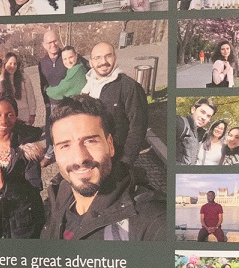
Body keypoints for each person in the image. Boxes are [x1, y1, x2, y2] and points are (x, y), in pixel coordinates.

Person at [42, 98, 164, 242]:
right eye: (65, 145)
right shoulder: (60, 192)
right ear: (55, 153)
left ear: (110, 145)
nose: (79, 159)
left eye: (90, 141)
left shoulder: (151, 218)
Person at [0, 97, 45, 239]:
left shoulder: (26, 149)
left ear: (16, 117)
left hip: (18, 217)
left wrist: (4, 186)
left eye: (10, 115)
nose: (3, 120)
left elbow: (33, 191)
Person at [81, 42, 148, 166]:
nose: (103, 61)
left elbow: (138, 126)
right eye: (97, 58)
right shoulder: (86, 87)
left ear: (115, 58)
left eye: (108, 56)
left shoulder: (129, 87)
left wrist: (126, 161)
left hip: (116, 159)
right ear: (91, 62)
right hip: (91, 157)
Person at [176, 99, 216, 165]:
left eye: (208, 116)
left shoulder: (201, 134)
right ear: (193, 110)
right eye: (202, 112)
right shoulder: (180, 123)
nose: (204, 117)